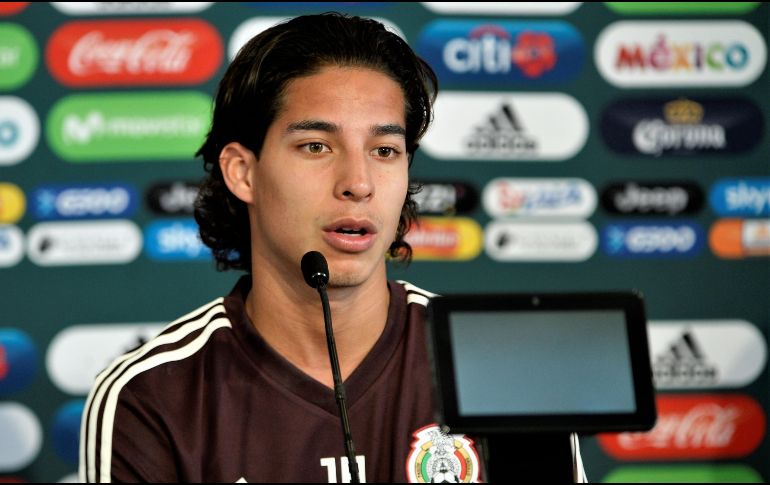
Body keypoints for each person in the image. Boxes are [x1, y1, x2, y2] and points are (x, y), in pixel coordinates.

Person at [79, 13, 586, 483]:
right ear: (243, 172)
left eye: (385, 150)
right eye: (317, 146)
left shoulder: (501, 366)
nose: (358, 183)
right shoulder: (151, 395)